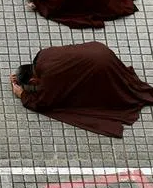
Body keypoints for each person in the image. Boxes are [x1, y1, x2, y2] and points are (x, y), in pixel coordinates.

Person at [10, 42, 153, 138]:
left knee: (113, 90)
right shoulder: (42, 55)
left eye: (33, 85)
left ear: (33, 81)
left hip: (100, 67)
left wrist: (23, 94)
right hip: (100, 51)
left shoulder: (48, 77)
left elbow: (44, 102)